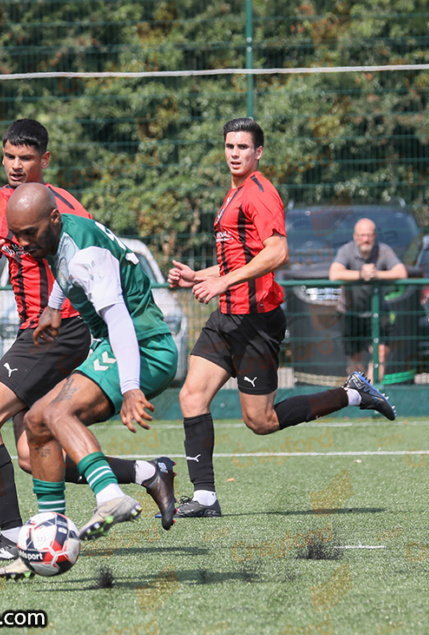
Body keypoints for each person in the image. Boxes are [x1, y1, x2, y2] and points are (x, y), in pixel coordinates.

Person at [0, 119, 177, 563]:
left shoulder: (64, 207)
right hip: (39, 327)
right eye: (9, 157)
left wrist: (62, 313)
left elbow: (86, 267)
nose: (16, 166)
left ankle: (14, 539)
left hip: (67, 330)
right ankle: (147, 472)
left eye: (26, 158)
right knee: (31, 452)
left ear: (44, 160)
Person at [168, 118, 397, 519]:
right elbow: (235, 259)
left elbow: (277, 254)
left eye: (242, 147)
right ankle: (205, 498)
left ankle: (354, 393)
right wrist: (199, 276)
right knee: (191, 396)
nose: (234, 153)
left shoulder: (260, 192)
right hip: (227, 317)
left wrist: (222, 283)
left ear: (258, 152)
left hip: (257, 322)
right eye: (229, 146)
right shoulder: (232, 193)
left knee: (261, 421)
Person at [0, 183, 180, 580]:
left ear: (53, 219)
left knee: (59, 412)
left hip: (143, 347)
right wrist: (51, 308)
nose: (23, 243)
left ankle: (111, 496)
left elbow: (119, 320)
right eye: (17, 234)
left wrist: (131, 386)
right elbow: (64, 270)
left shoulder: (86, 253)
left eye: (30, 233)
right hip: (114, 345)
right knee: (36, 422)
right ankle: (43, 540)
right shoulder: (62, 234)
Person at [329, 218, 408, 381]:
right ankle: (358, 393)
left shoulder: (384, 250)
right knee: (355, 359)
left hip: (378, 312)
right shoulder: (346, 250)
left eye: (369, 235)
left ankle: (373, 392)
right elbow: (334, 274)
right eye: (362, 235)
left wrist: (377, 275)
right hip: (351, 313)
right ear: (355, 237)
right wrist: (360, 275)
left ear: (375, 235)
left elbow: (401, 272)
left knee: (381, 353)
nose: (366, 239)